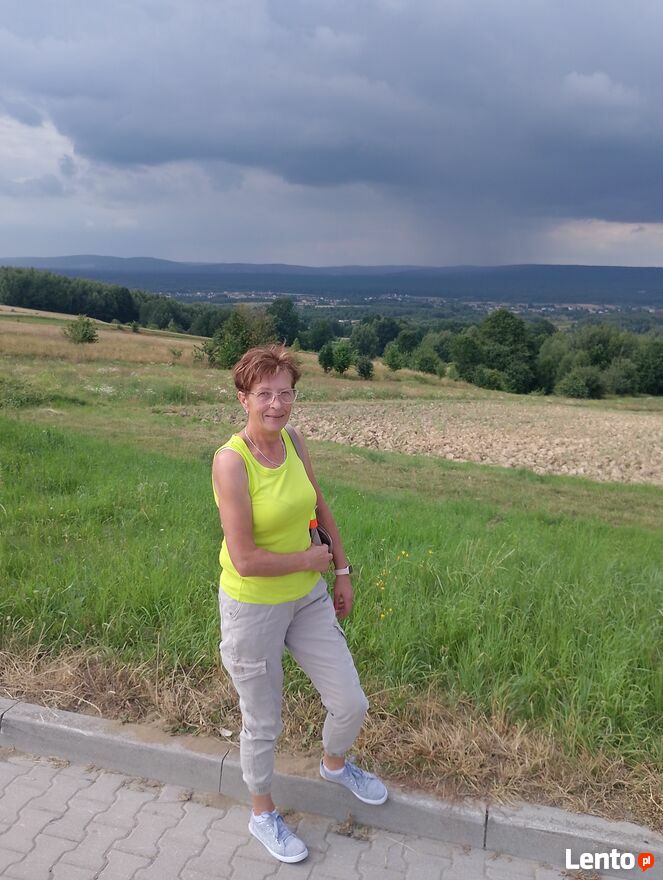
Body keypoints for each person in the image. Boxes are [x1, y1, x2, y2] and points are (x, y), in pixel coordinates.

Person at [211, 344, 387, 864]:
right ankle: (262, 812)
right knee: (263, 720)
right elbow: (244, 558)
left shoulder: (293, 441)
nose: (277, 404)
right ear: (243, 398)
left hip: (307, 598)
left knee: (350, 701)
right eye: (264, 393)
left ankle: (334, 764)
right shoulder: (231, 461)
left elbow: (318, 505)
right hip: (253, 607)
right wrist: (308, 560)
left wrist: (341, 569)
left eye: (285, 393)